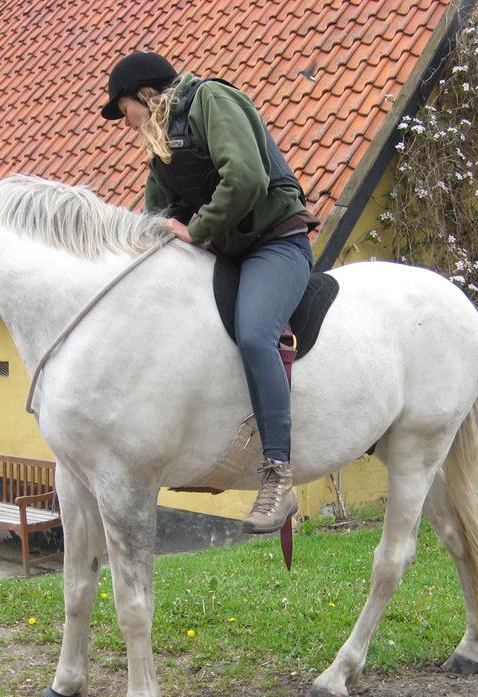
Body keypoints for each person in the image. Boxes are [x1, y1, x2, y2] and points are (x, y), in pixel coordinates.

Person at [102, 51, 319, 534]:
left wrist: (196, 231)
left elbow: (245, 177)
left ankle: (279, 475)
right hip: (224, 250)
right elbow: (157, 213)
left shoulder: (210, 100)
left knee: (256, 335)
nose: (125, 122)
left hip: (275, 244)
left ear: (145, 94)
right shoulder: (160, 140)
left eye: (124, 109)